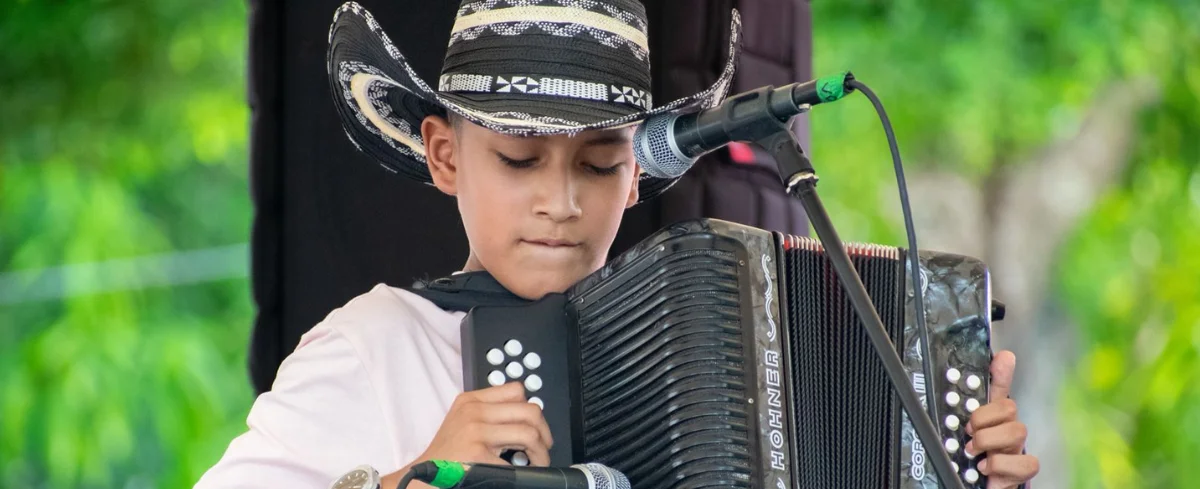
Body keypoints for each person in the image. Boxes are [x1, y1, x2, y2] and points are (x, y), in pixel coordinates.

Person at [195, 1, 1039, 488]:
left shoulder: (705, 344)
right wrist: (407, 481)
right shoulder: (376, 344)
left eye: (598, 164)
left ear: (635, 175)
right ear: (447, 155)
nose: (561, 202)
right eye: (520, 160)